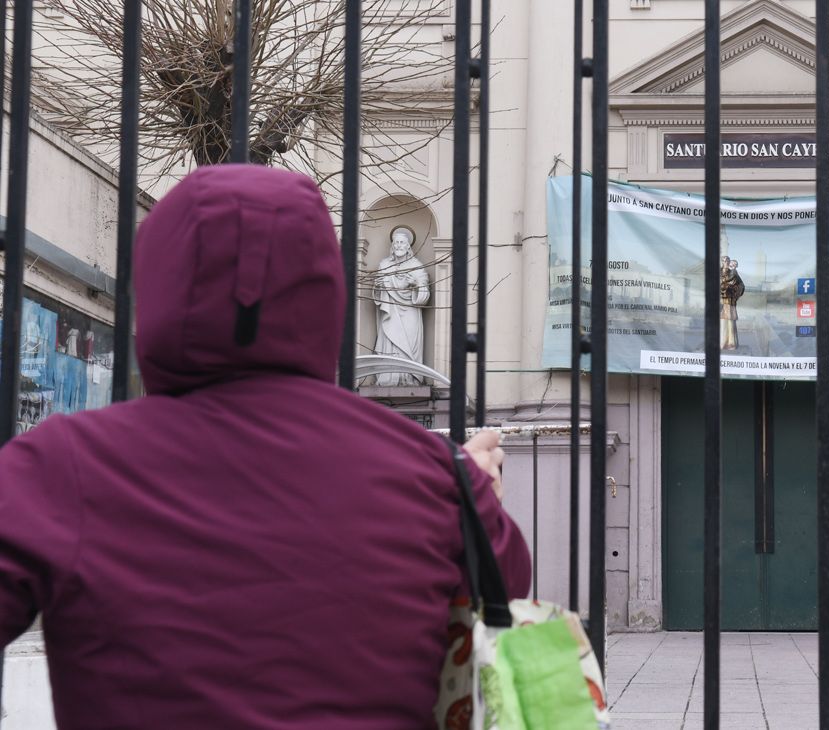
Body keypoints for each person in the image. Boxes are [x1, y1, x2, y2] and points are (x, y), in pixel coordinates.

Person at [0, 165, 530, 728]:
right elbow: (506, 588)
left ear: (157, 288)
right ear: (325, 292)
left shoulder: (61, 466)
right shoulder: (440, 478)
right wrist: (476, 494)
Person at [373, 226, 431, 385]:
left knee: (408, 343)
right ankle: (389, 377)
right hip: (390, 310)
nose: (398, 245)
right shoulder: (384, 265)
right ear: (392, 246)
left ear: (408, 246)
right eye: (396, 242)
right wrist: (378, 287)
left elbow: (425, 294)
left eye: (402, 242)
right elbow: (377, 293)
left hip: (410, 310)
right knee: (390, 342)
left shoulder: (417, 266)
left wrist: (415, 284)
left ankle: (409, 378)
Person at [721, 257, 745, 351]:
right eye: (723, 261)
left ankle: (730, 343)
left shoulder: (734, 273)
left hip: (729, 301)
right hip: (719, 302)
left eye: (727, 261)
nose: (725, 263)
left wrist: (733, 293)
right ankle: (721, 342)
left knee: (730, 321)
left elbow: (741, 286)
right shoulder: (719, 272)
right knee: (720, 322)